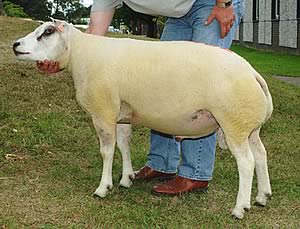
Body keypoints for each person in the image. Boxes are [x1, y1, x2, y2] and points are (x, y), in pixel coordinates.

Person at [37, 0, 244, 195]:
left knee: (202, 79)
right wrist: (61, 59)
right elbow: (92, 39)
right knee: (160, 82)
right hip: (178, 13)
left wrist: (223, 4)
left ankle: (195, 173)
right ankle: (161, 163)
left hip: (210, 4)